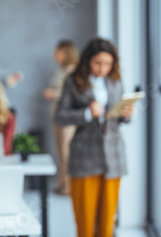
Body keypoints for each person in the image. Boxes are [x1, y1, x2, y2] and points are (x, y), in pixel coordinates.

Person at [55, 38, 134, 237]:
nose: (102, 68)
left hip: (113, 157)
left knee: (107, 224)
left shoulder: (115, 82)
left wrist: (125, 116)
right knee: (85, 224)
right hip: (84, 158)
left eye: (108, 63)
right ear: (87, 61)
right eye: (98, 63)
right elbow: (60, 116)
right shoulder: (73, 82)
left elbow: (114, 119)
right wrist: (87, 113)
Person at [43, 40, 79, 195]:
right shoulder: (59, 69)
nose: (54, 54)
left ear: (65, 53)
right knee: (59, 151)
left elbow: (73, 94)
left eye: (57, 51)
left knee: (66, 152)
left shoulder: (72, 71)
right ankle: (62, 182)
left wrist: (53, 94)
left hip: (67, 117)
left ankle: (70, 186)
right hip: (56, 115)